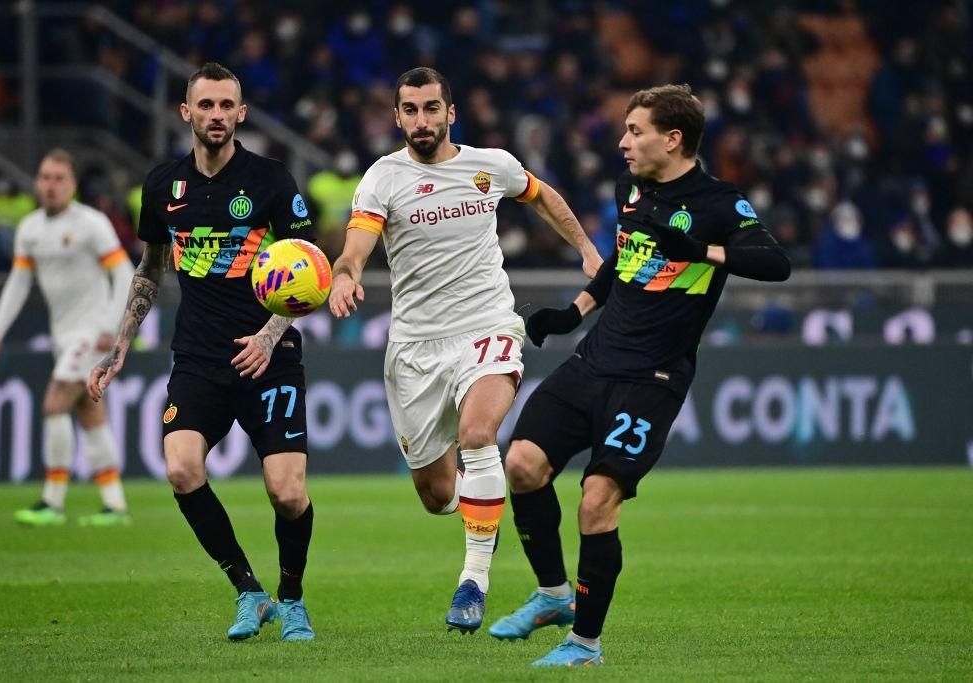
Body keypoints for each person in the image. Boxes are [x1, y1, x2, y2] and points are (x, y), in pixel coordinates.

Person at [488, 84, 791, 666]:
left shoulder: (719, 203)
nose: (623, 142)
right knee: (522, 465)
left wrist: (704, 251)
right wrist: (570, 312)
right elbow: (624, 265)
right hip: (594, 360)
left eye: (635, 131)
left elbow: (775, 263)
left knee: (597, 502)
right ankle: (553, 595)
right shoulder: (634, 191)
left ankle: (585, 644)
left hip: (652, 379)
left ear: (672, 139)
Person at [328, 67, 601, 633]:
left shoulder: (490, 165)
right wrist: (345, 272)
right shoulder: (383, 178)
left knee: (480, 436)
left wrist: (587, 251)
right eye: (410, 110)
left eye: (432, 108)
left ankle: (473, 581)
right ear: (396, 116)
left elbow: (542, 196)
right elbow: (358, 243)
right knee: (435, 494)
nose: (421, 120)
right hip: (415, 347)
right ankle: (483, 505)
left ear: (451, 112)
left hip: (487, 324)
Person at [87, 63, 318, 642]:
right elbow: (149, 271)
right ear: (186, 112)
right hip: (198, 358)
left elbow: (310, 270)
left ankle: (291, 598)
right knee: (182, 468)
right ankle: (250, 592)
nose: (217, 115)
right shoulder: (163, 185)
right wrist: (119, 348)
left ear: (241, 113)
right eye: (206, 105)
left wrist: (269, 337)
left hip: (270, 356)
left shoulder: (271, 180)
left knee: (287, 493)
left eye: (227, 105)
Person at [0, 149, 134, 527]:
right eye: (45, 178)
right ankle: (114, 506)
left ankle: (52, 500)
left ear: (73, 186)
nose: (51, 186)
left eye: (59, 179)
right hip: (62, 335)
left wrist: (108, 328)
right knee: (90, 413)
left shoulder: (91, 223)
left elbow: (126, 272)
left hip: (91, 331)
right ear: (37, 182)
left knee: (54, 404)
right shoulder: (30, 228)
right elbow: (18, 284)